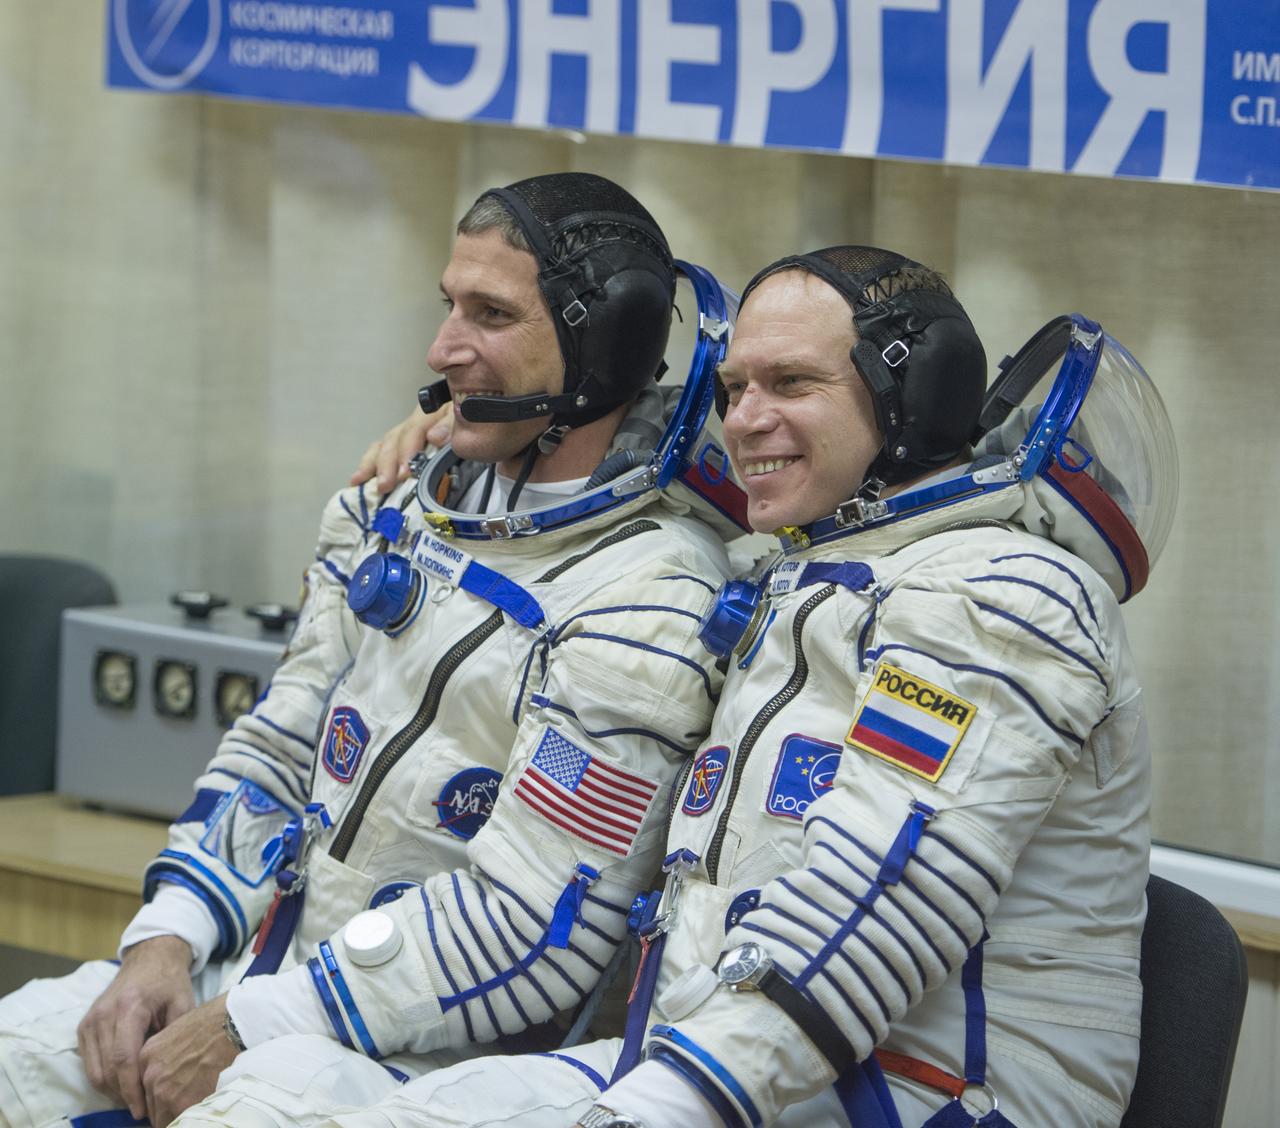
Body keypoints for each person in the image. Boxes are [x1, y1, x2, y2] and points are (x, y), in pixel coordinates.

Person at [313, 245, 1176, 1128]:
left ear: (915, 398)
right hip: (723, 1065)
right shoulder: (814, 572)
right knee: (294, 1101)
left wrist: (660, 1106)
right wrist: (457, 447)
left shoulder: (1001, 598)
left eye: (792, 383)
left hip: (920, 1092)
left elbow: (870, 909)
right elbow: (604, 508)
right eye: (732, 391)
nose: (745, 421)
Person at [0, 173, 745, 1127]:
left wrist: (256, 1023)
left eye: (490, 314)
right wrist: (168, 940)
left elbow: (533, 925)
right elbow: (275, 748)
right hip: (269, 975)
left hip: (436, 1049)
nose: (443, 348)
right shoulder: (396, 504)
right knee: (23, 1048)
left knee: (255, 1114)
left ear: (599, 341)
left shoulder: (653, 599)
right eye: (449, 306)